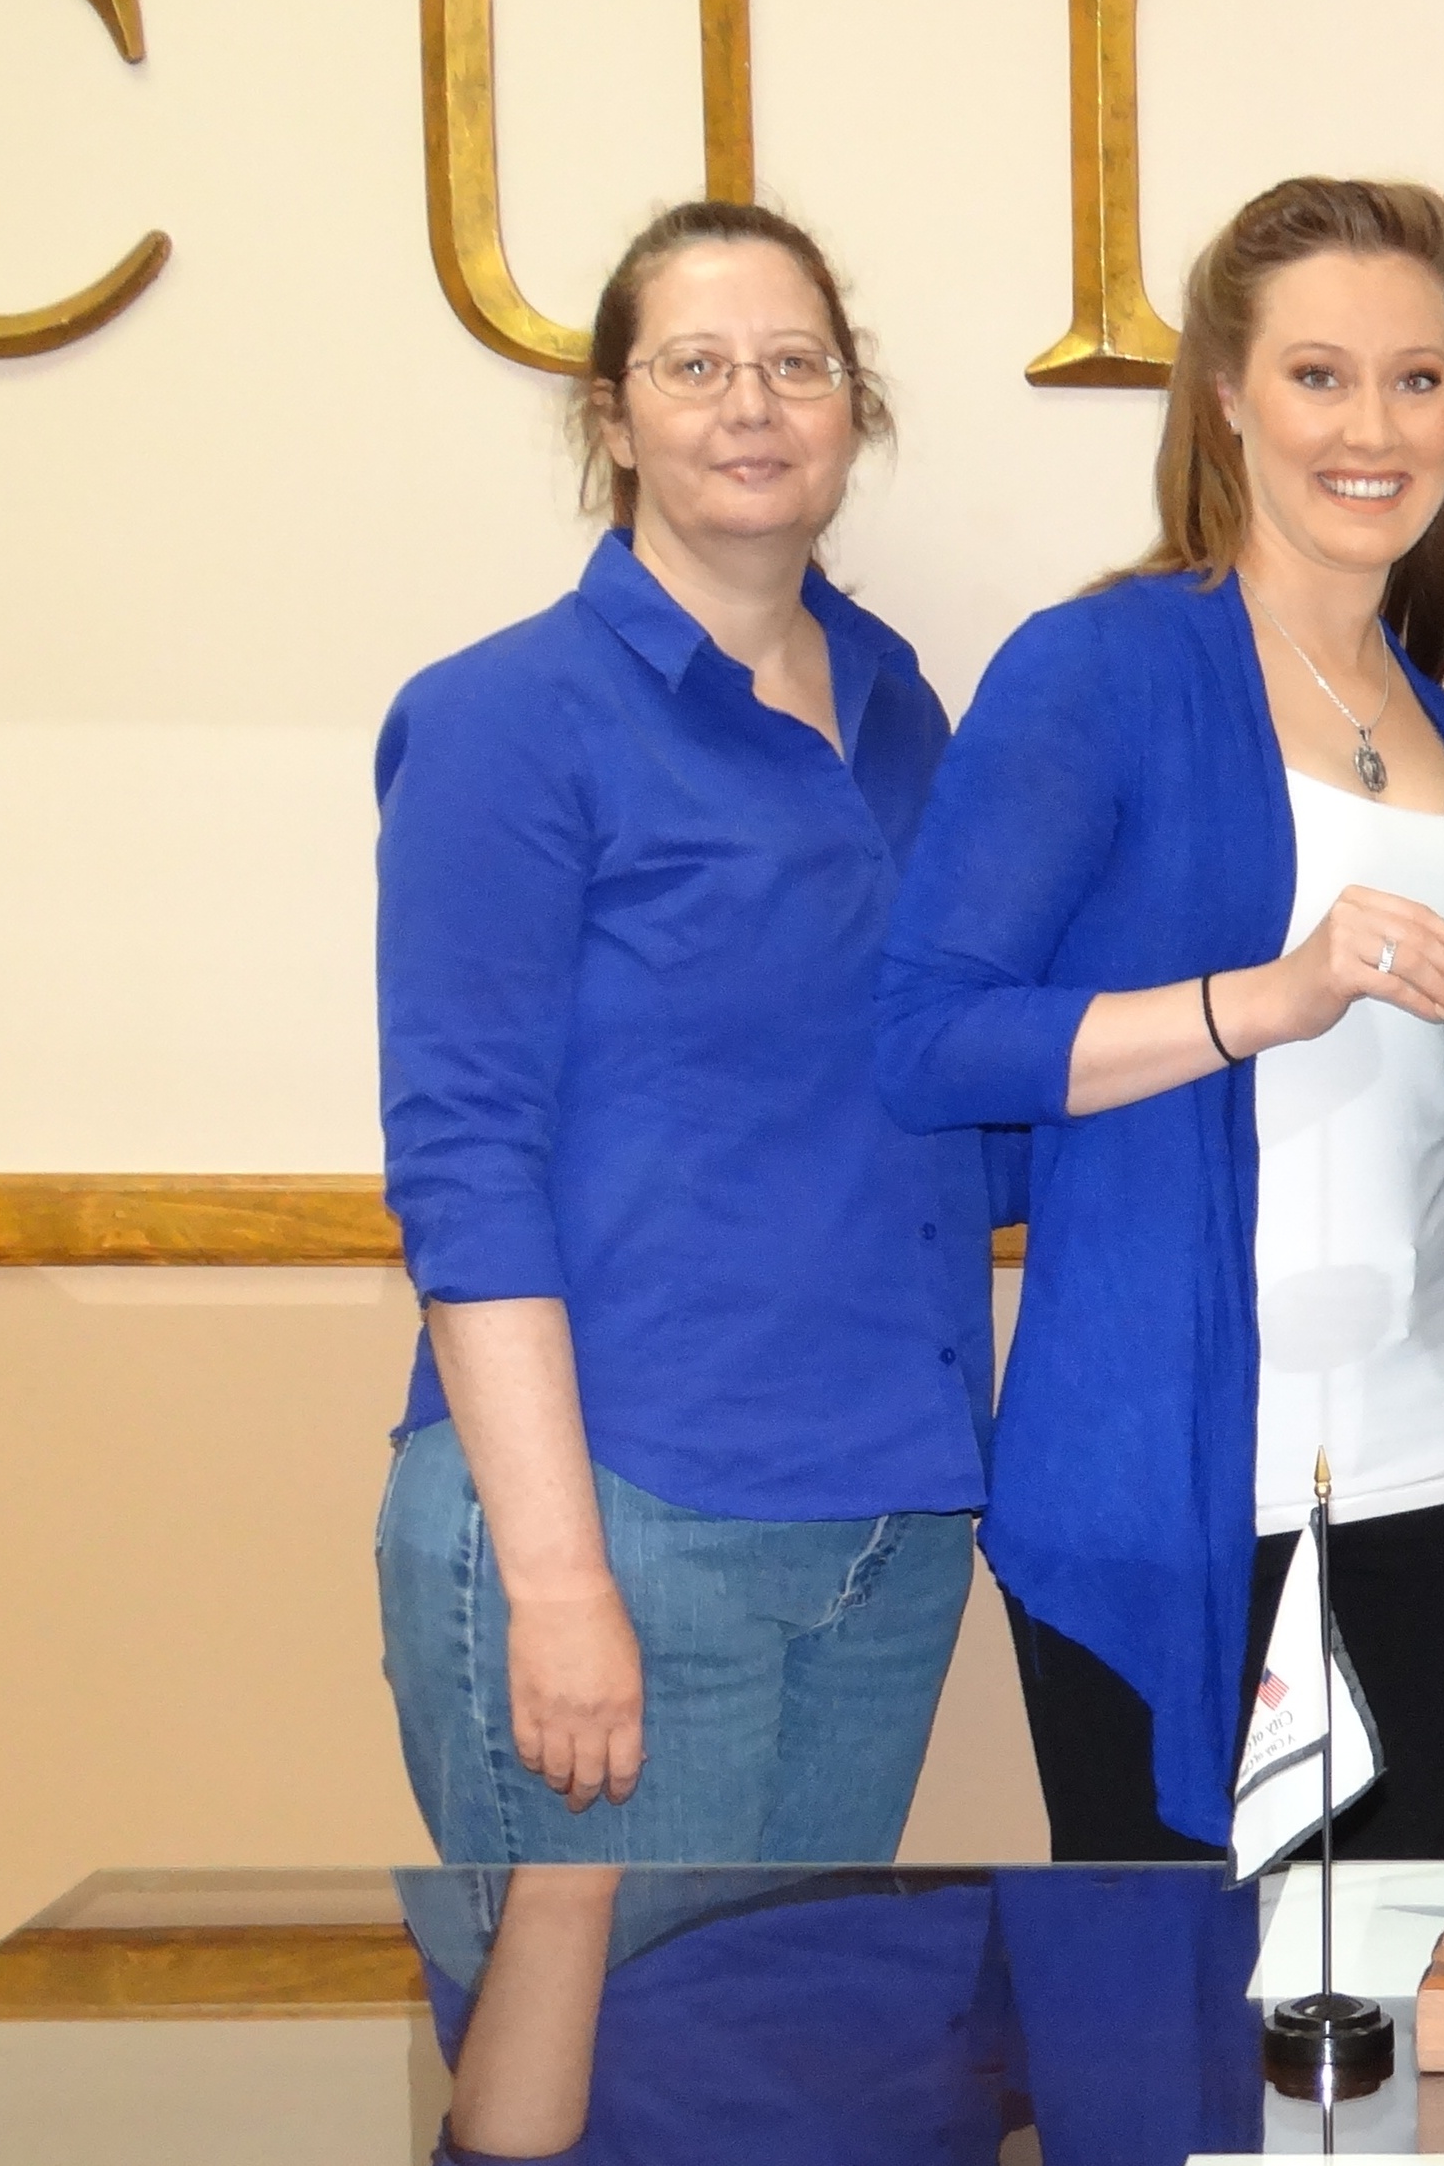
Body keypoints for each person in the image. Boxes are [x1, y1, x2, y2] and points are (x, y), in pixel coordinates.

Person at [879, 179, 1444, 1860]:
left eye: (1418, 377)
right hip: (1169, 1490)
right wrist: (1266, 998)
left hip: (1430, 1466)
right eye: (1318, 376)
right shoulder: (1098, 669)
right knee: (1162, 2056)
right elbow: (932, 1042)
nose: (1372, 427)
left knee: (1369, 2046)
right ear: (1227, 397)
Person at [373, 201, 989, 1863]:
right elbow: (464, 1167)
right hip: (627, 1519)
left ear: (854, 406)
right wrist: (559, 1579)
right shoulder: (506, 718)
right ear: (612, 414)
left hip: (891, 1521)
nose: (752, 404)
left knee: (794, 2075)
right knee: (604, 2098)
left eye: (798, 363)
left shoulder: (900, 707)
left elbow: (942, 1084)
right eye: (697, 363)